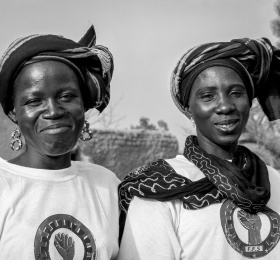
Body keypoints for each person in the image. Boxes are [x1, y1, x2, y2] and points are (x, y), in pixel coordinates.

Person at [117, 37, 280, 260]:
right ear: (188, 108)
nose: (225, 106)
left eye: (236, 93)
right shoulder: (158, 188)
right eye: (207, 96)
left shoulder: (273, 180)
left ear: (249, 101)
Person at [0, 26, 120, 260]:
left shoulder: (108, 186)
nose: (53, 111)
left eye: (66, 97)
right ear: (14, 112)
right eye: (34, 101)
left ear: (84, 105)